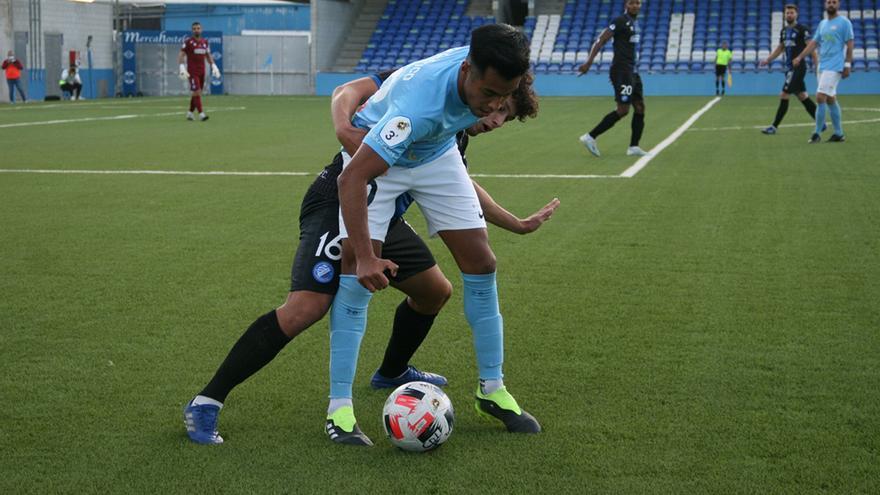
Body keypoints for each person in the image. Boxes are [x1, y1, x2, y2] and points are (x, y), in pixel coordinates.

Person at [183, 69, 554, 446]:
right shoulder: (417, 85)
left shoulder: (452, 129)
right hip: (337, 202)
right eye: (495, 107)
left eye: (503, 114)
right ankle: (206, 400)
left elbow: (461, 184)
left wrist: (516, 223)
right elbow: (347, 90)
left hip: (385, 216)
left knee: (434, 291)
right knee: (306, 307)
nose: (493, 119)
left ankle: (391, 373)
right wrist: (344, 128)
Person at [329, 23, 543, 448]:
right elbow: (351, 180)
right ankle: (340, 410)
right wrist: (370, 259)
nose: (496, 105)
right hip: (380, 156)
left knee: (482, 262)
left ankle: (492, 390)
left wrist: (515, 221)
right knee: (357, 273)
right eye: (489, 95)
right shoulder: (417, 109)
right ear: (467, 71)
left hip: (436, 151)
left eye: (507, 95)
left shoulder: (489, 62)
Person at [576, 0, 649, 157]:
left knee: (640, 107)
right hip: (622, 71)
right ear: (626, 5)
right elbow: (601, 40)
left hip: (632, 72)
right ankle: (590, 137)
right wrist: (589, 62)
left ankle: (634, 147)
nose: (635, 5)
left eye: (638, 3)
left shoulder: (635, 23)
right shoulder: (620, 21)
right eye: (632, 3)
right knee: (623, 110)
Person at [793, 0, 853, 143]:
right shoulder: (822, 24)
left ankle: (817, 133)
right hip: (822, 65)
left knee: (820, 97)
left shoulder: (844, 22)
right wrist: (800, 57)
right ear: (825, 5)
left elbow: (850, 45)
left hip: (835, 65)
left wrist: (848, 64)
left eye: (834, 2)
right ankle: (839, 134)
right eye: (829, 2)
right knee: (830, 98)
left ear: (838, 5)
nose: (831, 4)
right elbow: (814, 43)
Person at [760, 4, 820, 135]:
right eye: (787, 13)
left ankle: (774, 127)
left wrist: (817, 66)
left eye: (792, 13)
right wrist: (768, 60)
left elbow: (811, 48)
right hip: (789, 69)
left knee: (784, 94)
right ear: (784, 15)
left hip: (798, 68)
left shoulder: (802, 30)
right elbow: (780, 48)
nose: (789, 15)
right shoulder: (784, 31)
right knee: (802, 96)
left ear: (796, 14)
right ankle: (821, 123)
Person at [178, 21, 220, 121]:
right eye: (194, 28)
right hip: (192, 72)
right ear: (192, 30)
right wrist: (181, 67)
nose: (196, 30)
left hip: (202, 72)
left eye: (198, 28)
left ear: (201, 29)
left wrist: (214, 66)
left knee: (197, 93)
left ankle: (190, 113)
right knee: (196, 91)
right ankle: (201, 114)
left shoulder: (205, 42)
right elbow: (181, 54)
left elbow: (208, 55)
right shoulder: (188, 42)